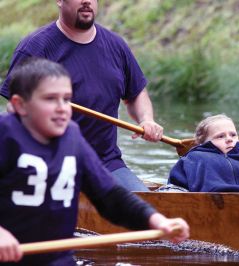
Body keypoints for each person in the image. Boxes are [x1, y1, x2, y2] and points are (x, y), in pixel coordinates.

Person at [0, 58, 189, 265]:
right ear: (20, 105)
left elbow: (109, 194)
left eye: (66, 99)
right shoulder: (5, 135)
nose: (62, 108)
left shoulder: (72, 137)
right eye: (50, 99)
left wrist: (157, 220)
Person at [0, 0, 162, 191]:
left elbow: (135, 93)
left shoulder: (116, 46)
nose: (87, 1)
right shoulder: (35, 48)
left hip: (106, 163)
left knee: (144, 210)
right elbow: (16, 113)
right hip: (48, 162)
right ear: (59, 1)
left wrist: (146, 119)